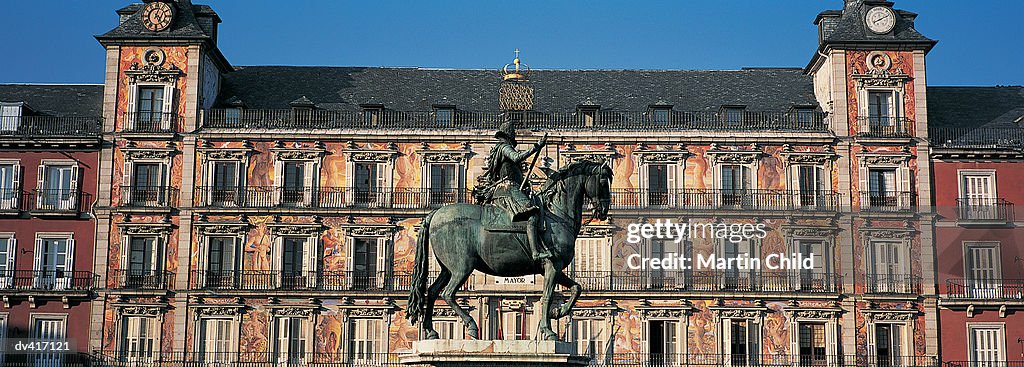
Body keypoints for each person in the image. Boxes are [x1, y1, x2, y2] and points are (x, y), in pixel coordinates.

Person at [482, 121, 551, 261]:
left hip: (509, 188)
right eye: (512, 135)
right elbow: (516, 157)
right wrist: (536, 146)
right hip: (508, 189)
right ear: (508, 136)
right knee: (533, 214)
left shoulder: (499, 148)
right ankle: (535, 252)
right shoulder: (504, 147)